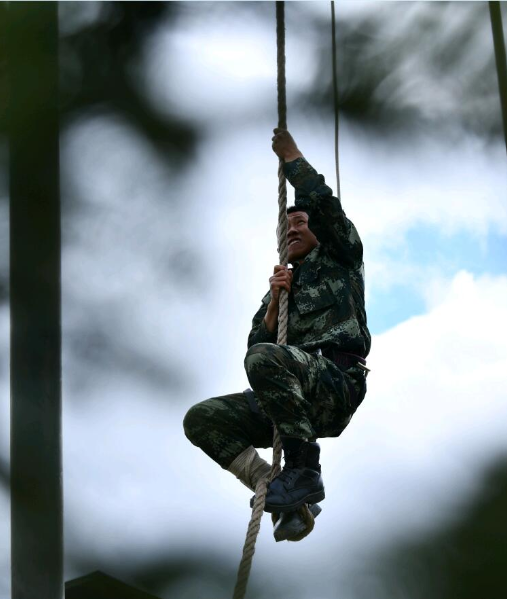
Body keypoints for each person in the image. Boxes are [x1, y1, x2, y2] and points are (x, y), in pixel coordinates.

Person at [183, 128, 370, 541]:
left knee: (265, 358)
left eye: (301, 223)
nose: (293, 229)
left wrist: (292, 158)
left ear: (319, 230)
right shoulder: (282, 287)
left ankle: (305, 471)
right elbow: (256, 352)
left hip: (334, 384)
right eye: (286, 228)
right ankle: (285, 493)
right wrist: (273, 302)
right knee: (202, 419)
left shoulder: (340, 257)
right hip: (291, 399)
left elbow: (322, 205)